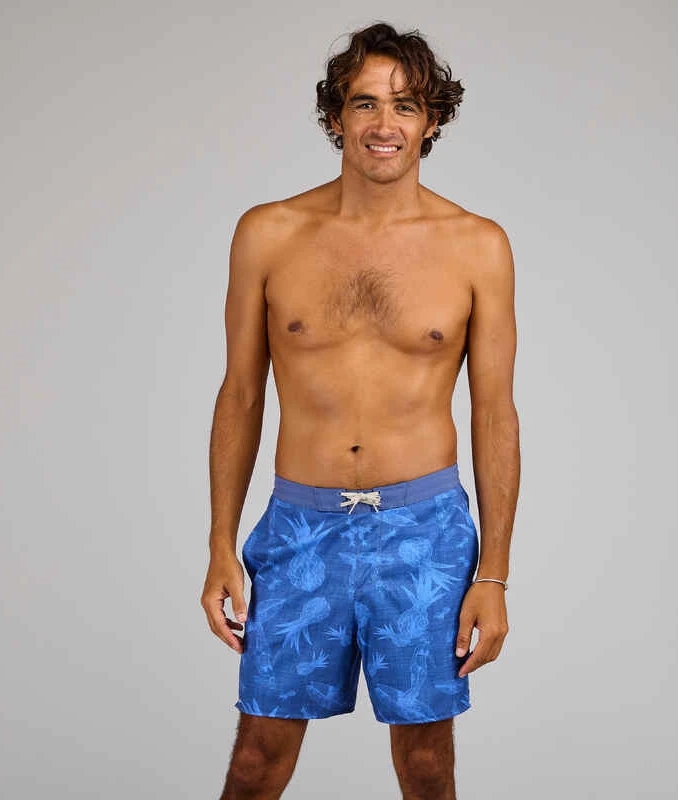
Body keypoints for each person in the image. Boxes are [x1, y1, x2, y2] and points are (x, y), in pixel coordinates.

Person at [201, 21, 519, 800]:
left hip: (425, 532)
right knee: (257, 760)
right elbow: (241, 393)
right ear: (335, 116)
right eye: (366, 103)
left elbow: (494, 415)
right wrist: (219, 543)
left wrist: (495, 575)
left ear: (432, 121)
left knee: (426, 764)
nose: (385, 124)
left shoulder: (477, 245)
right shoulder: (269, 233)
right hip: (300, 527)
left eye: (405, 105)